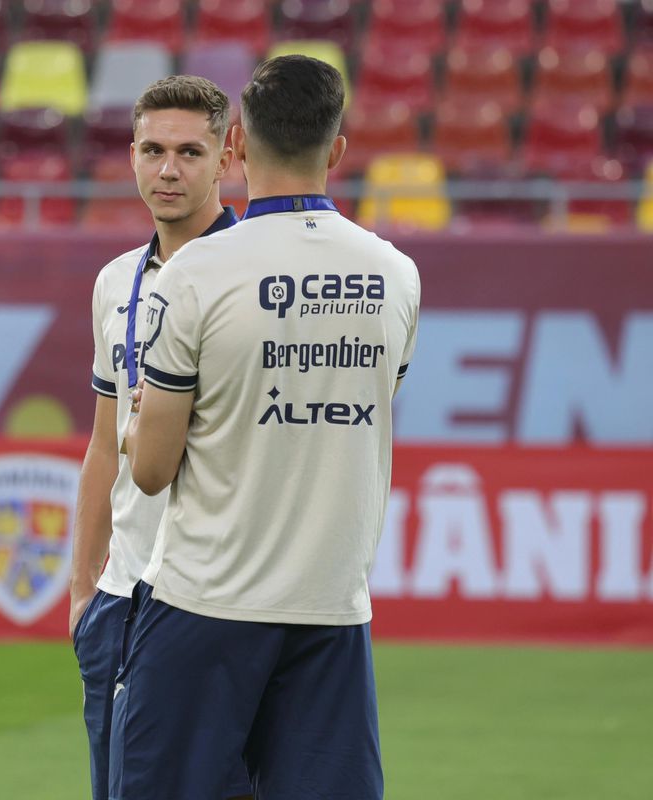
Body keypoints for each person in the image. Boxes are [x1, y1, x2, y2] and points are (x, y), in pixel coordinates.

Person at [115, 55, 421, 800]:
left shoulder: (195, 272)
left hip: (207, 604)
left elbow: (151, 469)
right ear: (338, 149)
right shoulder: (395, 274)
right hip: (330, 609)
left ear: (239, 145)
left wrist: (136, 427)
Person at [68, 75, 252, 800]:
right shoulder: (117, 281)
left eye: (189, 151)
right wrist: (85, 589)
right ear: (131, 155)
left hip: (218, 599)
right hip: (123, 599)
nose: (168, 170)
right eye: (152, 150)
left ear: (227, 155)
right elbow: (102, 444)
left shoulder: (251, 272)